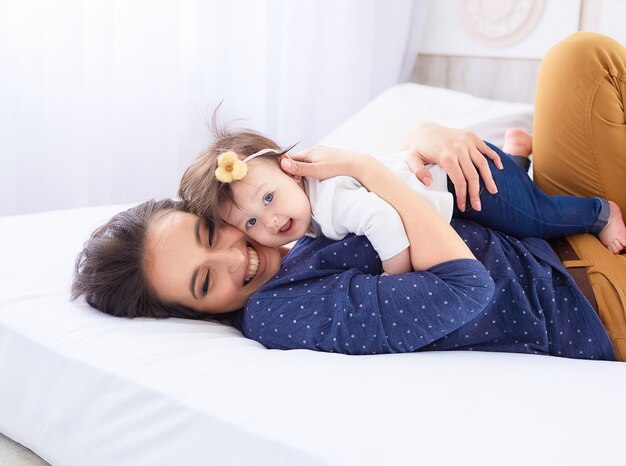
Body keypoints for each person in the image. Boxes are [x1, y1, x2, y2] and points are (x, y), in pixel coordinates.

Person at [72, 32, 626, 361]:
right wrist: (367, 168)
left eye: (210, 235)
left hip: (543, 224)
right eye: (204, 281)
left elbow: (388, 189)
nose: (235, 257)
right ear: (189, 314)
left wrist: (422, 140)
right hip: (582, 294)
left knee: (578, 58)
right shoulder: (279, 313)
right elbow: (464, 289)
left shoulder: (292, 220)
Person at [177, 120, 625, 277]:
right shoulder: (310, 206)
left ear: (291, 168)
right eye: (251, 223)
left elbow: (384, 223)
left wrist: (396, 275)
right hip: (457, 184)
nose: (271, 222)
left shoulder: (332, 200)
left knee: (534, 217)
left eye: (270, 198)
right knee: (517, 195)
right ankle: (519, 153)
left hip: (463, 184)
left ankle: (600, 212)